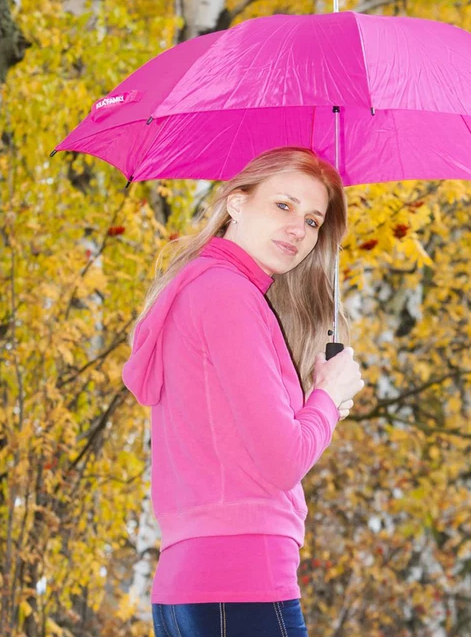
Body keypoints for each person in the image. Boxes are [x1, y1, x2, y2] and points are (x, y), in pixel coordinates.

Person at [122, 146, 365, 637]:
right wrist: (328, 397)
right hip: (242, 580)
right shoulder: (227, 295)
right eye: (284, 205)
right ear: (236, 203)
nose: (299, 229)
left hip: (188, 588)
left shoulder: (200, 289)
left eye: (314, 221)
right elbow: (281, 460)